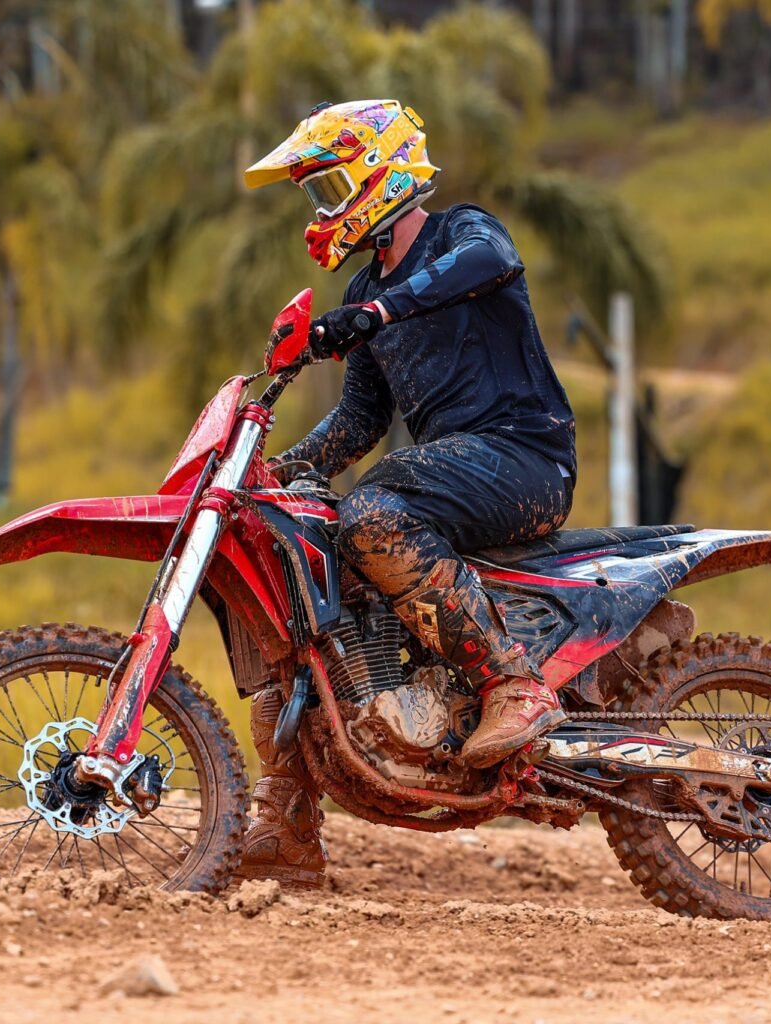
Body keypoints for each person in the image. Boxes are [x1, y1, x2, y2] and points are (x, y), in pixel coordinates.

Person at [236, 100, 578, 887]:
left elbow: (484, 267)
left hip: (524, 458)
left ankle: (512, 686)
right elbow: (358, 423)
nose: (323, 209)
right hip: (457, 473)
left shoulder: (465, 234)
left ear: (375, 174)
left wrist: (374, 311)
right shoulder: (367, 285)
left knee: (375, 510)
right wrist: (267, 469)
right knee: (305, 577)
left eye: (330, 187)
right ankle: (286, 825)